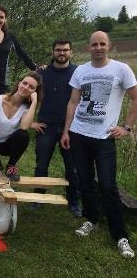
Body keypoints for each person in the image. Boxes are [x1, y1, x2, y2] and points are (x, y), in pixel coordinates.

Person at [61, 31, 137, 259]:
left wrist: (127, 128)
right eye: (94, 44)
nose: (98, 47)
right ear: (88, 47)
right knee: (85, 181)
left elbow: (135, 98)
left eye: (102, 43)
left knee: (108, 185)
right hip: (78, 134)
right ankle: (91, 220)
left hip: (104, 137)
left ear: (109, 46)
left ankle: (120, 235)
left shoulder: (121, 69)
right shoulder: (81, 71)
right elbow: (73, 102)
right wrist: (66, 130)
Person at [31, 39, 81, 217]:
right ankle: (37, 198)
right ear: (52, 52)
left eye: (65, 50)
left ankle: (74, 201)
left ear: (71, 52)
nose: (62, 53)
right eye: (58, 50)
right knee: (41, 164)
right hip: (46, 126)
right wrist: (31, 122)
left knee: (72, 168)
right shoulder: (42, 73)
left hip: (70, 128)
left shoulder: (78, 73)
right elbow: (25, 94)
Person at [0, 71, 42, 181]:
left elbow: (24, 127)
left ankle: (11, 166)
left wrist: (34, 102)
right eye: (25, 83)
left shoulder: (26, 108)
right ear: (19, 83)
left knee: (23, 135)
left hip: (8, 144)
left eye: (31, 87)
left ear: (34, 92)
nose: (26, 87)